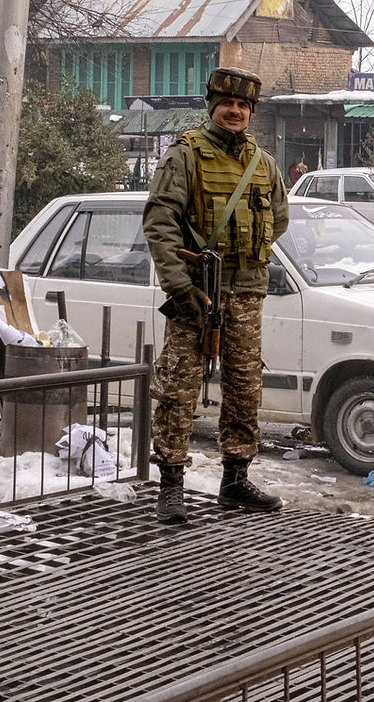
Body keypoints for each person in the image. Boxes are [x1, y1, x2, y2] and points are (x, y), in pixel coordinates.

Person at [143, 66, 289, 524]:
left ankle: (235, 480)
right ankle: (170, 485)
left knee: (244, 388)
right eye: (227, 103)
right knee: (180, 386)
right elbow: (160, 222)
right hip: (198, 291)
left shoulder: (263, 163)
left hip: (246, 291)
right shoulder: (184, 154)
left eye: (244, 105)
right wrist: (180, 285)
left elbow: (279, 219)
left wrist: (245, 249)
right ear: (212, 106)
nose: (235, 111)